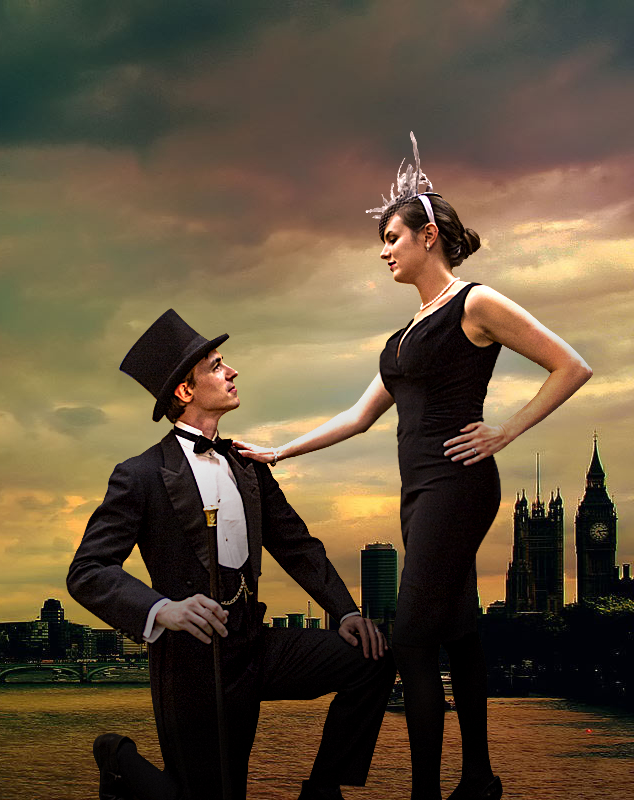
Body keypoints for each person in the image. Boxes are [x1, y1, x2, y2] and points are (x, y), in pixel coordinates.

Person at [234, 134, 592, 800]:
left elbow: (572, 365)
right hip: (419, 492)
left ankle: (427, 794)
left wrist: (504, 433)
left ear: (429, 236)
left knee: (413, 641)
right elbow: (357, 416)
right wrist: (279, 451)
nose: (383, 250)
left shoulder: (476, 304)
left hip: (459, 485)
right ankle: (480, 777)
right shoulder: (400, 339)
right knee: (456, 628)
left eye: (392, 237)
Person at [67, 309, 395, 800]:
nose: (232, 371)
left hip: (256, 647)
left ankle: (322, 790)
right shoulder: (140, 475)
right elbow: (87, 571)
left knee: (370, 659)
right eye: (217, 365)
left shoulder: (248, 465)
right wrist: (163, 610)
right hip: (191, 665)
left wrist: (343, 610)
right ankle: (117, 758)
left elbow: (296, 544)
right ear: (185, 390)